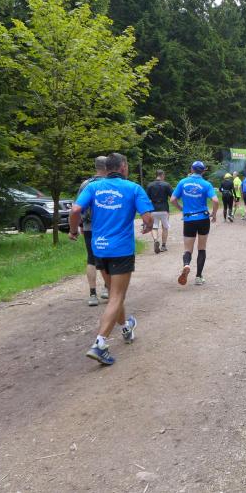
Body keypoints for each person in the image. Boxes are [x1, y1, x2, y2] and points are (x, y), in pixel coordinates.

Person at [69, 153, 154, 366]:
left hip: (99, 248)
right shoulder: (133, 188)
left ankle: (126, 327)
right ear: (123, 167)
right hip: (121, 249)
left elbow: (76, 209)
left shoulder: (93, 187)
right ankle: (100, 344)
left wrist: (73, 230)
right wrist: (148, 226)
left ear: (107, 168)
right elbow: (147, 217)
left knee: (115, 292)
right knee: (116, 296)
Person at [171, 161, 219, 286]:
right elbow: (215, 200)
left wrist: (181, 208)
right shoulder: (206, 184)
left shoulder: (182, 182)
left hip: (189, 219)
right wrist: (214, 214)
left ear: (192, 169)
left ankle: (186, 264)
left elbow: (173, 199)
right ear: (203, 171)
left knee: (188, 249)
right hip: (203, 218)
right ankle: (198, 277)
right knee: (201, 248)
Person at [78, 156, 110, 306]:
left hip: (89, 226)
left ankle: (92, 295)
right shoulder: (110, 184)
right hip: (107, 227)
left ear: (96, 167)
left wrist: (80, 224)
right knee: (108, 257)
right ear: (107, 167)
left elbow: (78, 207)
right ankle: (107, 288)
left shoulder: (86, 184)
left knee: (91, 258)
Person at [146, 169, 173, 253]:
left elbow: (147, 199)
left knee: (154, 227)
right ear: (162, 175)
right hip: (164, 208)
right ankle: (163, 246)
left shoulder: (150, 185)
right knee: (165, 227)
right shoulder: (166, 185)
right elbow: (173, 197)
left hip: (153, 209)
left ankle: (155, 240)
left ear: (156, 175)